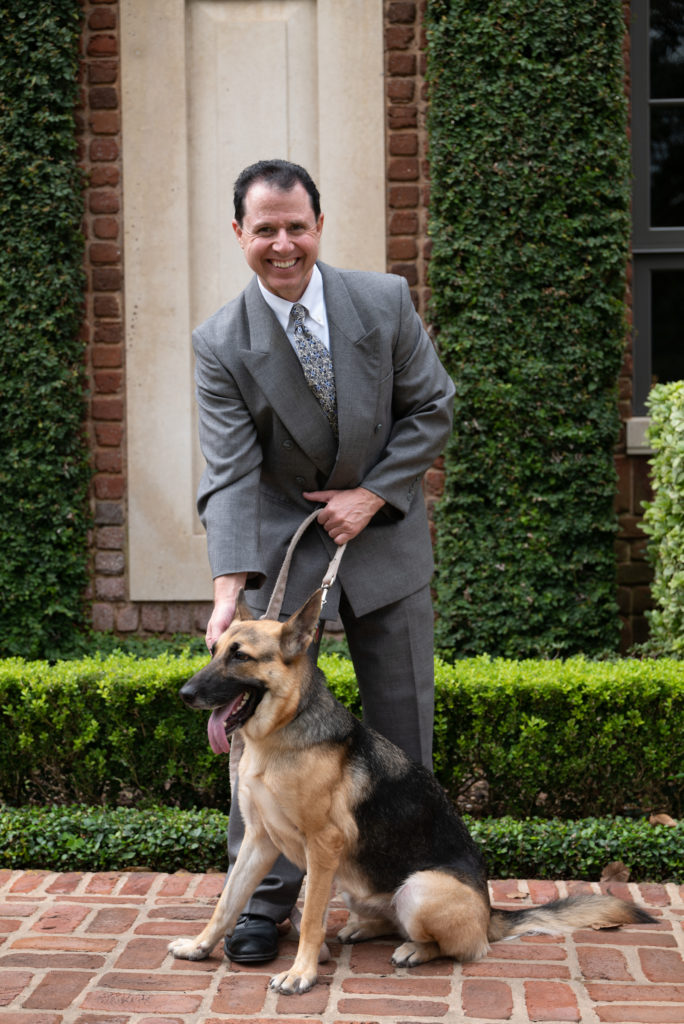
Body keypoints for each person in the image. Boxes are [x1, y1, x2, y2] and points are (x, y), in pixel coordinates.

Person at [193, 158, 455, 964]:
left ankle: (398, 889)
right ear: (238, 233)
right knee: (262, 737)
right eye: (264, 229)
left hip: (387, 538)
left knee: (401, 735)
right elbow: (232, 472)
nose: (282, 244)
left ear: (318, 225)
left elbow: (432, 407)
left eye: (295, 226)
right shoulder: (220, 342)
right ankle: (263, 907)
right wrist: (229, 590)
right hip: (288, 552)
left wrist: (370, 494)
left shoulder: (382, 301)